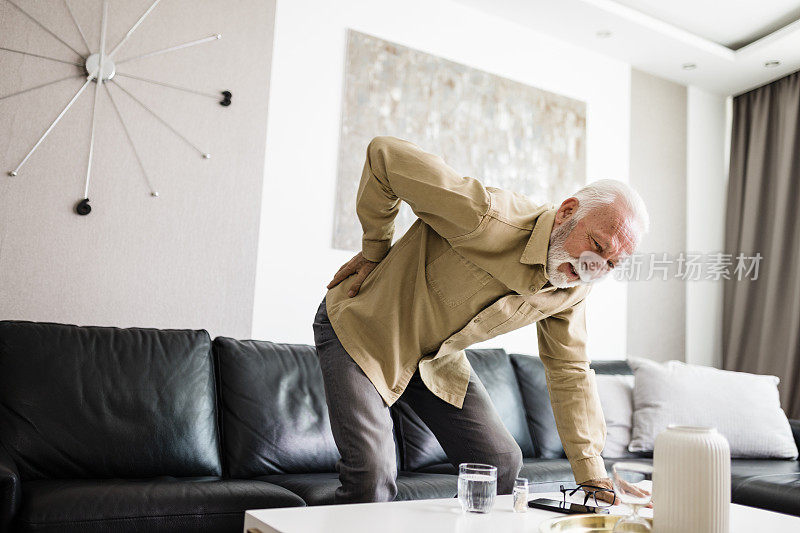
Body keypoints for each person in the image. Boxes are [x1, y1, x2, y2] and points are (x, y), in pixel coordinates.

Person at [313, 136, 650, 505]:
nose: (593, 268)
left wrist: (593, 475)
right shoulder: (486, 216)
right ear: (568, 211)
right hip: (364, 330)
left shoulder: (572, 288)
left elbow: (569, 371)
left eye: (610, 264)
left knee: (500, 462)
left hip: (434, 360)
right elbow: (385, 155)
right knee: (371, 476)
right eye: (597, 246)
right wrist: (374, 250)